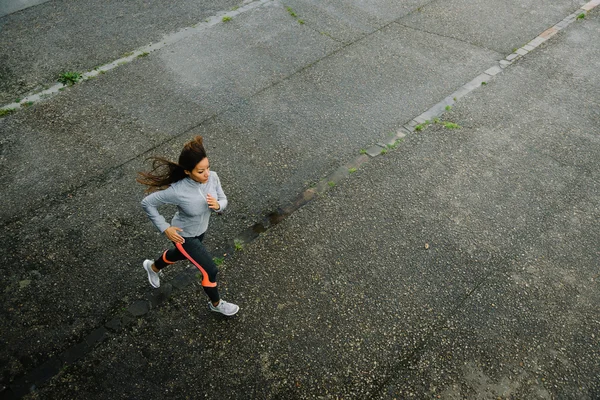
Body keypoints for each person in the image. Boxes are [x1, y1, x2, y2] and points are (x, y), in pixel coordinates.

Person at [137, 136, 239, 316]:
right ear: (187, 172)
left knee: (179, 255)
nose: (206, 174)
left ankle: (152, 267)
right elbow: (147, 203)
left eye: (207, 167)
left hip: (200, 232)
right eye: (200, 171)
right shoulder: (177, 191)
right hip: (183, 236)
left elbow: (223, 199)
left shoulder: (213, 177)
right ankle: (216, 303)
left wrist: (218, 206)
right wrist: (165, 227)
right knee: (210, 270)